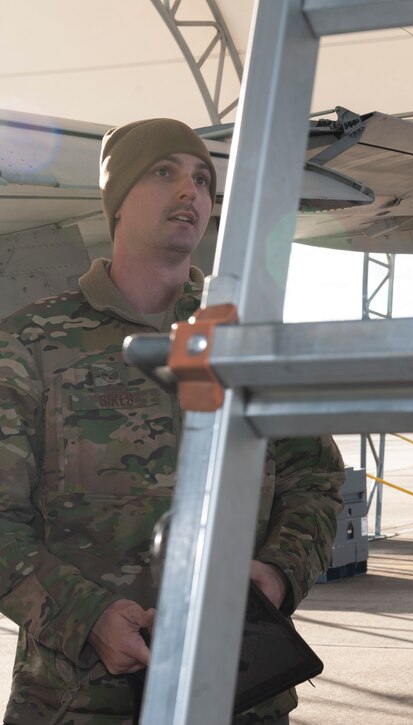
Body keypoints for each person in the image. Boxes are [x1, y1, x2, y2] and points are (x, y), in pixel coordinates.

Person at [0, 118, 345, 724]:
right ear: (117, 199)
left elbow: (314, 481)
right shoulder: (31, 343)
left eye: (203, 180)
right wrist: (88, 618)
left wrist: (278, 573)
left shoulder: (247, 338)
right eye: (165, 172)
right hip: (78, 699)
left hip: (239, 692)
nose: (190, 192)